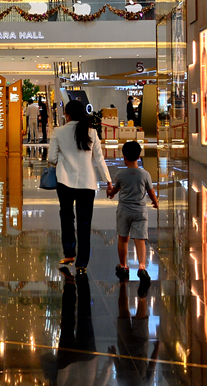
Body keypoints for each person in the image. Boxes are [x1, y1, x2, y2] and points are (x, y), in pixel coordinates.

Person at [48, 99, 111, 275]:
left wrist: (61, 160)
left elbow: (51, 158)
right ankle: (82, 262)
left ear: (67, 114)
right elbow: (99, 158)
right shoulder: (91, 132)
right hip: (87, 183)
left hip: (64, 181)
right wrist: (108, 180)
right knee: (85, 222)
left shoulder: (58, 131)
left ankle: (69, 253)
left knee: (66, 217)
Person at [107, 141, 158, 281]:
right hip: (140, 211)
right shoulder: (145, 174)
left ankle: (123, 265)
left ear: (124, 157)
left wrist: (110, 192)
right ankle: (142, 267)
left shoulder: (121, 174)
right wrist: (155, 202)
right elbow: (151, 192)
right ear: (139, 156)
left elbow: (115, 191)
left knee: (123, 238)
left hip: (124, 211)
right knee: (140, 240)